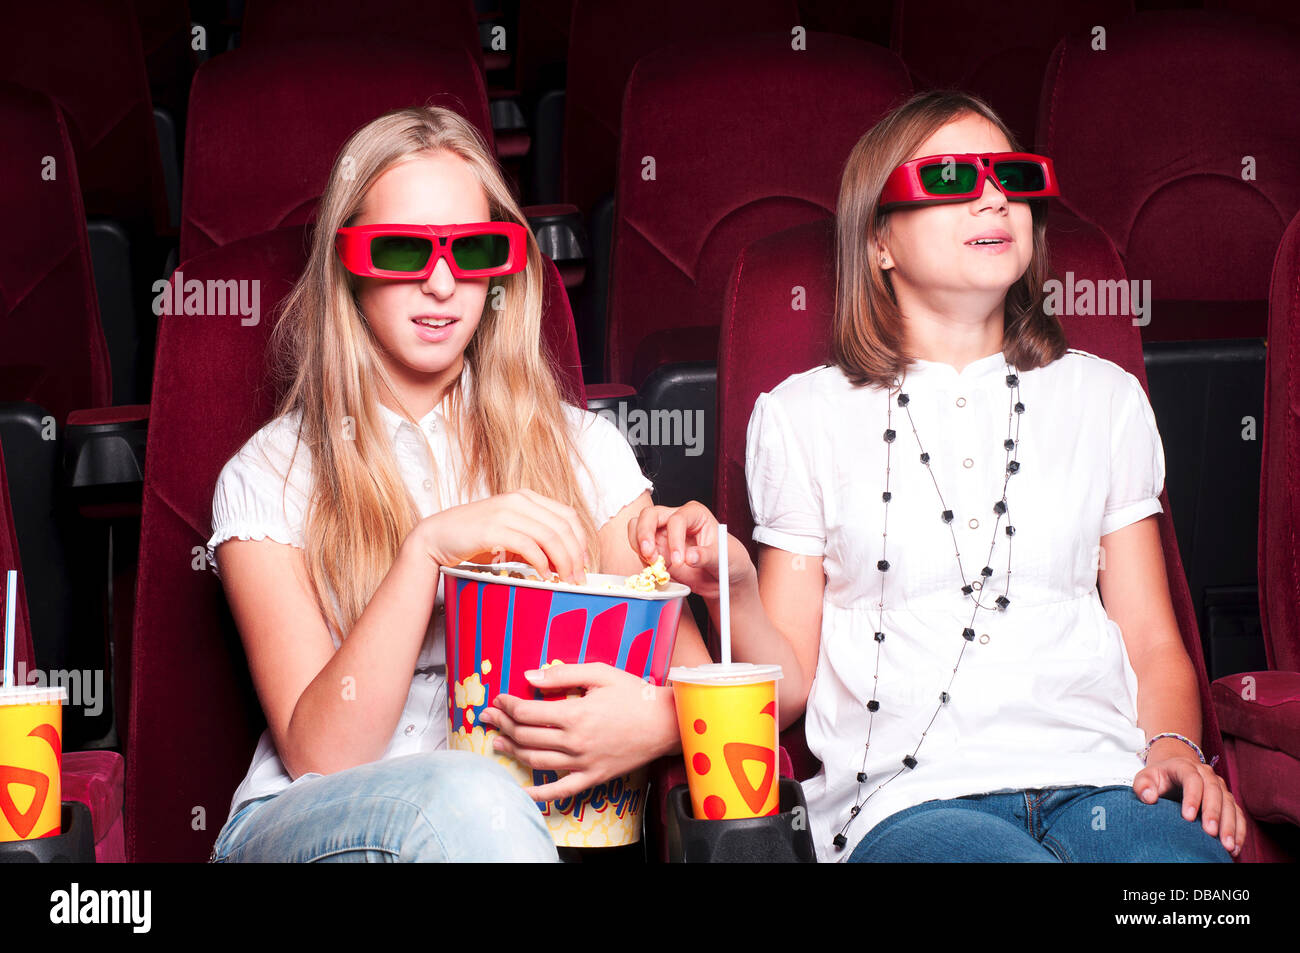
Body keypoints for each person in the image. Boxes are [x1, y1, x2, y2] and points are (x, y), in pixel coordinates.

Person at [628, 90, 1244, 863]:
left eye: (1010, 178)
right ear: (879, 240)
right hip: (912, 803)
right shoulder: (802, 414)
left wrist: (1176, 747)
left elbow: (1153, 637)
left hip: (1110, 783)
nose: (994, 196)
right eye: (951, 177)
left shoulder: (1104, 396)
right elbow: (787, 686)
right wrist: (735, 588)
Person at [204, 106, 710, 863]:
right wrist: (424, 554)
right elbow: (323, 753)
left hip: (522, 833)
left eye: (473, 250)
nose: (443, 282)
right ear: (347, 262)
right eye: (404, 251)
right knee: (474, 790)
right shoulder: (269, 473)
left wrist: (660, 723)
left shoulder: (583, 449)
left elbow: (708, 688)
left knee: (485, 801)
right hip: (309, 826)